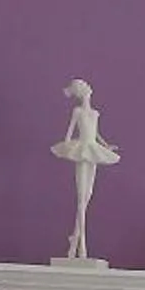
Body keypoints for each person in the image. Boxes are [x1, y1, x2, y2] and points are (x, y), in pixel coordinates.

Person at [52, 78, 120, 264]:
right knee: (81, 196)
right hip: (81, 149)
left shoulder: (95, 113)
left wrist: (106, 146)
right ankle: (81, 246)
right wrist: (66, 145)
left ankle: (75, 238)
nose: (89, 90)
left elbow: (96, 134)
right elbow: (70, 131)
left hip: (92, 149)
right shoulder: (77, 111)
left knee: (88, 195)